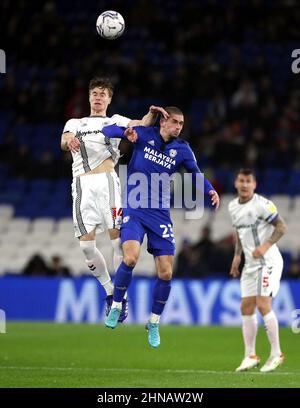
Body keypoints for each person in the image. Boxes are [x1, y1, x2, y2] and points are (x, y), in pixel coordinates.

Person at [101, 106, 220, 347]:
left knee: (166, 273)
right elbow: (107, 129)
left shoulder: (183, 150)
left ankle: (153, 323)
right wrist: (127, 133)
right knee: (130, 258)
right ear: (163, 121)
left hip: (160, 215)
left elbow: (195, 173)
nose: (178, 127)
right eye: (175, 122)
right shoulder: (144, 134)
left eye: (181, 123)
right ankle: (116, 305)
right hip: (134, 208)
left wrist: (210, 189)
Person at [60, 76, 168, 322]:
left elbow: (140, 123)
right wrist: (70, 140)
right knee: (86, 246)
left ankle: (121, 297)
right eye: (95, 93)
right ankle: (110, 291)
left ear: (109, 99)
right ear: (89, 97)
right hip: (82, 186)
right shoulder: (75, 122)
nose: (98, 97)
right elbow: (64, 140)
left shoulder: (115, 120)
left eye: (103, 94)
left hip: (108, 182)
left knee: (118, 241)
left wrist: (151, 114)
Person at [228, 169, 287, 373]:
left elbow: (281, 227)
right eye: (241, 180)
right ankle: (250, 355)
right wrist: (237, 256)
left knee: (263, 305)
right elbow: (239, 231)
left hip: (268, 261)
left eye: (248, 181)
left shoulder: (262, 204)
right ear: (236, 183)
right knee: (246, 307)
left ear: (254, 185)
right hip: (250, 265)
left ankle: (277, 353)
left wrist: (266, 246)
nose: (244, 185)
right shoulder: (233, 206)